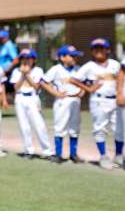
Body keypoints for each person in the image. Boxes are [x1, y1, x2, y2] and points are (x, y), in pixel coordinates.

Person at [70, 38, 121, 170]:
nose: (98, 50)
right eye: (95, 48)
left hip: (115, 100)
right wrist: (88, 89)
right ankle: (103, 156)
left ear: (108, 50)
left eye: (101, 48)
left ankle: (119, 155)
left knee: (119, 129)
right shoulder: (89, 66)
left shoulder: (115, 64)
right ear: (92, 51)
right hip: (99, 100)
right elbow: (73, 79)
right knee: (100, 129)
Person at [40, 45, 84, 164]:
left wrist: (83, 90)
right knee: (60, 127)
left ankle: (73, 154)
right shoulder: (56, 69)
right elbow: (44, 82)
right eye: (72, 56)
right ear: (62, 57)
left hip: (75, 100)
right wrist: (55, 93)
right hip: (62, 101)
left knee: (75, 127)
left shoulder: (79, 69)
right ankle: (58, 154)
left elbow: (85, 83)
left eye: (75, 56)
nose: (75, 58)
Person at [10, 49, 53, 159]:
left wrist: (27, 74)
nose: (25, 61)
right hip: (20, 97)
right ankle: (28, 150)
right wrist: (22, 75)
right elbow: (15, 87)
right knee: (24, 126)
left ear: (34, 60)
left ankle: (47, 151)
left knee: (39, 125)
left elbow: (37, 86)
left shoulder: (38, 70)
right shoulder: (16, 71)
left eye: (28, 58)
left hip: (33, 97)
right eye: (23, 58)